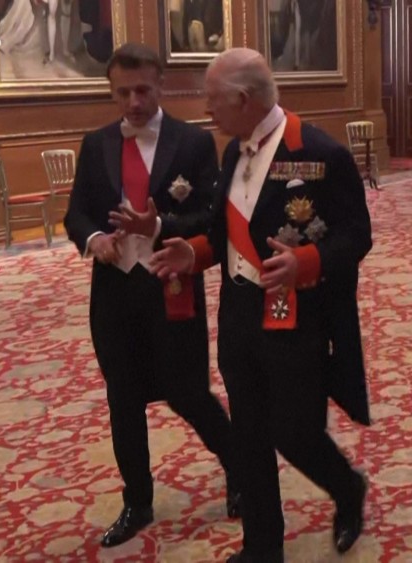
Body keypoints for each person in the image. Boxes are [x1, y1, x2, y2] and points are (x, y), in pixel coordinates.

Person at [148, 47, 371, 562]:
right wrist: (193, 254)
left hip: (297, 318)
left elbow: (357, 234)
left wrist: (306, 262)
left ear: (244, 99)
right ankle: (262, 548)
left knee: (294, 432)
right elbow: (227, 234)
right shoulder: (233, 151)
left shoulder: (319, 152)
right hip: (239, 316)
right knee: (248, 434)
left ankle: (347, 487)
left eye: (213, 99)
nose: (207, 110)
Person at [63, 43, 238, 548]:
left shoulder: (193, 143)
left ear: (161, 84)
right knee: (123, 400)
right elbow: (77, 213)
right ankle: (137, 501)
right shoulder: (96, 144)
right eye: (123, 92)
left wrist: (159, 226)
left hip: (172, 283)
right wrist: (94, 239)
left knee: (189, 393)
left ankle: (240, 469)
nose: (133, 102)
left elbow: (210, 216)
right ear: (111, 91)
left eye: (142, 90)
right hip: (115, 293)